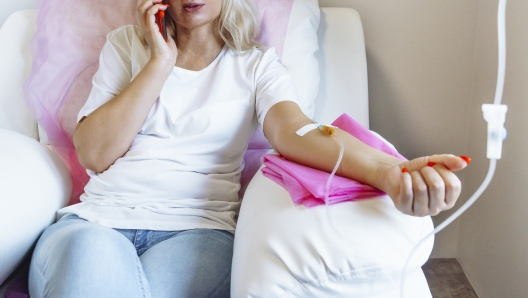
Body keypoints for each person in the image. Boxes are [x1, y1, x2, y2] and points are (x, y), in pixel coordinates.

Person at [28, 0, 468, 297]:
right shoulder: (126, 47)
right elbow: (94, 153)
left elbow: (298, 131)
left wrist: (388, 170)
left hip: (198, 233)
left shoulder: (256, 65)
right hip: (97, 221)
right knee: (89, 256)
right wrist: (160, 63)